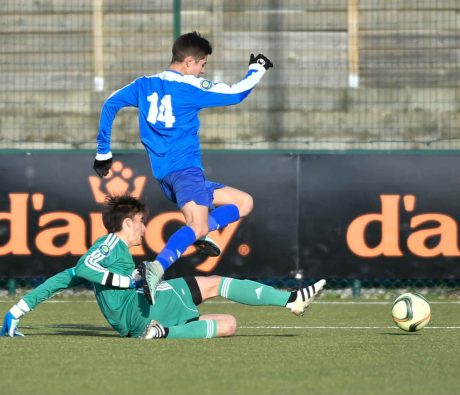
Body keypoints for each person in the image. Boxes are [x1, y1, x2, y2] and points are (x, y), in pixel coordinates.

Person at [92, 31, 274, 303]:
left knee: (243, 202)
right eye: (202, 65)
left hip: (166, 176)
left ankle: (201, 232)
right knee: (197, 226)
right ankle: (156, 268)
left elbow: (110, 103)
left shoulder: (144, 84)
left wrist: (103, 153)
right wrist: (257, 68)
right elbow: (236, 94)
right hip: (186, 171)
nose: (202, 72)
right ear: (189, 62)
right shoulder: (189, 88)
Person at [2, 194, 325, 339]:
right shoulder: (110, 244)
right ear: (128, 223)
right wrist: (129, 284)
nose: (145, 229)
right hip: (141, 308)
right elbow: (85, 267)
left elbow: (65, 277)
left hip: (138, 320)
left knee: (228, 324)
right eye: (141, 222)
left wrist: (17, 311)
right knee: (213, 282)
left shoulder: (114, 250)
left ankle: (162, 333)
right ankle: (290, 300)